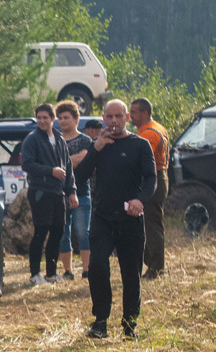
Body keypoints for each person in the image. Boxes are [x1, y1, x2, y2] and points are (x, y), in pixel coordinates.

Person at [74, 100, 157, 339]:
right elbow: (80, 175)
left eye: (118, 116)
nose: (113, 121)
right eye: (108, 117)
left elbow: (152, 179)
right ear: (103, 118)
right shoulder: (98, 146)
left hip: (130, 218)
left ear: (127, 117)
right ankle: (100, 322)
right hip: (102, 218)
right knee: (97, 267)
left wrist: (140, 200)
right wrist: (95, 149)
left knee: (131, 273)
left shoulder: (140, 145)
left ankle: (130, 324)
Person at [20, 103, 78, 284]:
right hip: (40, 191)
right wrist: (50, 171)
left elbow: (68, 167)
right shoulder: (32, 139)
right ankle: (35, 274)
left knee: (58, 231)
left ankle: (51, 273)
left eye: (46, 117)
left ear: (53, 119)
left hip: (58, 193)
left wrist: (72, 191)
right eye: (39, 118)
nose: (42, 121)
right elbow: (27, 165)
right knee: (40, 231)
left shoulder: (59, 139)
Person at [129, 98, 169, 278]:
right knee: (150, 222)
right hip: (158, 177)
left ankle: (156, 268)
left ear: (144, 113)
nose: (131, 116)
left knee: (151, 224)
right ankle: (152, 264)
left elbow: (139, 159)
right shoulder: (155, 128)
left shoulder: (149, 134)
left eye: (134, 112)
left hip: (153, 179)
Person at [55, 101, 92, 280]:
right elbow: (53, 165)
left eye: (66, 118)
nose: (62, 121)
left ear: (76, 119)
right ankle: (68, 271)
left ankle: (87, 270)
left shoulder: (86, 140)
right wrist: (71, 161)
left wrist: (64, 164)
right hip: (59, 194)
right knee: (63, 233)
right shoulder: (54, 140)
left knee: (83, 232)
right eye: (60, 118)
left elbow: (82, 159)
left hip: (82, 192)